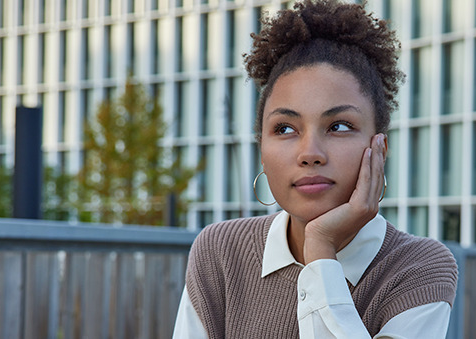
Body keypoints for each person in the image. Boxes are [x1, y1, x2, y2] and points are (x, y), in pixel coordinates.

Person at [172, 0, 458, 337]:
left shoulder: (419, 267)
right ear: (262, 150)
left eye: (338, 126)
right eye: (285, 129)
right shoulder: (220, 251)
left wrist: (321, 248)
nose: (310, 154)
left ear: (380, 147)